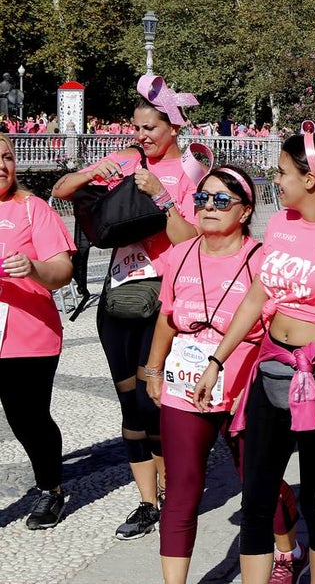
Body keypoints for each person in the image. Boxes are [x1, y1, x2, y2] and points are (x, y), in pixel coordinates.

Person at [193, 129, 315, 584]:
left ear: (311, 179)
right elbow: (255, 297)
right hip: (271, 369)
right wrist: (217, 360)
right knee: (257, 497)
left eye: (282, 172)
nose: (275, 180)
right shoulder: (280, 223)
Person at [52, 75, 200, 539]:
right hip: (118, 296)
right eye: (136, 127)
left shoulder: (191, 172)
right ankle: (146, 502)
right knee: (129, 407)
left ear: (173, 127)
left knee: (153, 403)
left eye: (150, 128)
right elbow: (61, 190)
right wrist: (101, 171)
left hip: (162, 297)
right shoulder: (126, 158)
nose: (141, 136)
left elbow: (190, 240)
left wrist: (158, 192)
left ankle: (175, 493)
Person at [143, 167, 303, 584]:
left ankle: (288, 550)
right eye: (201, 199)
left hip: (246, 392)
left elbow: (280, 329)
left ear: (246, 209)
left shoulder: (263, 259)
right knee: (181, 490)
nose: (208, 208)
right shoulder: (178, 255)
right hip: (184, 389)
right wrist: (154, 370)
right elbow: (167, 319)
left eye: (220, 200)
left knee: (256, 483)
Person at [0, 134, 75, 530]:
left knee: (27, 418)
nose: (2, 164)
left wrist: (32, 268)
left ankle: (51, 490)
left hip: (29, 336)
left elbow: (62, 271)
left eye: (7, 156)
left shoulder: (34, 209)